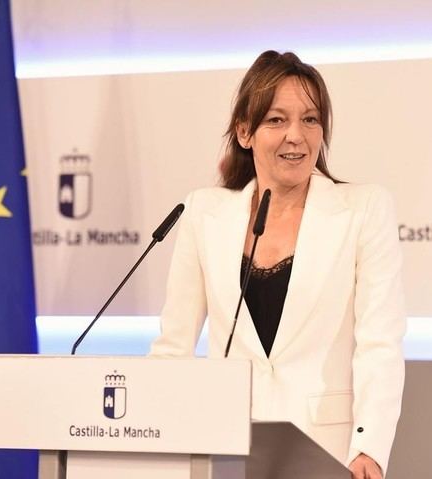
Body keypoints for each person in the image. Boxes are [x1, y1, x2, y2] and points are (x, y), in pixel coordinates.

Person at [150, 50, 405, 479]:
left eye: (310, 119)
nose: (296, 136)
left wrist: (369, 448)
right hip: (224, 449)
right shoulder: (204, 213)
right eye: (276, 120)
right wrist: (150, 435)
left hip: (327, 453)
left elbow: (380, 344)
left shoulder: (364, 209)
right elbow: (173, 347)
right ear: (244, 131)